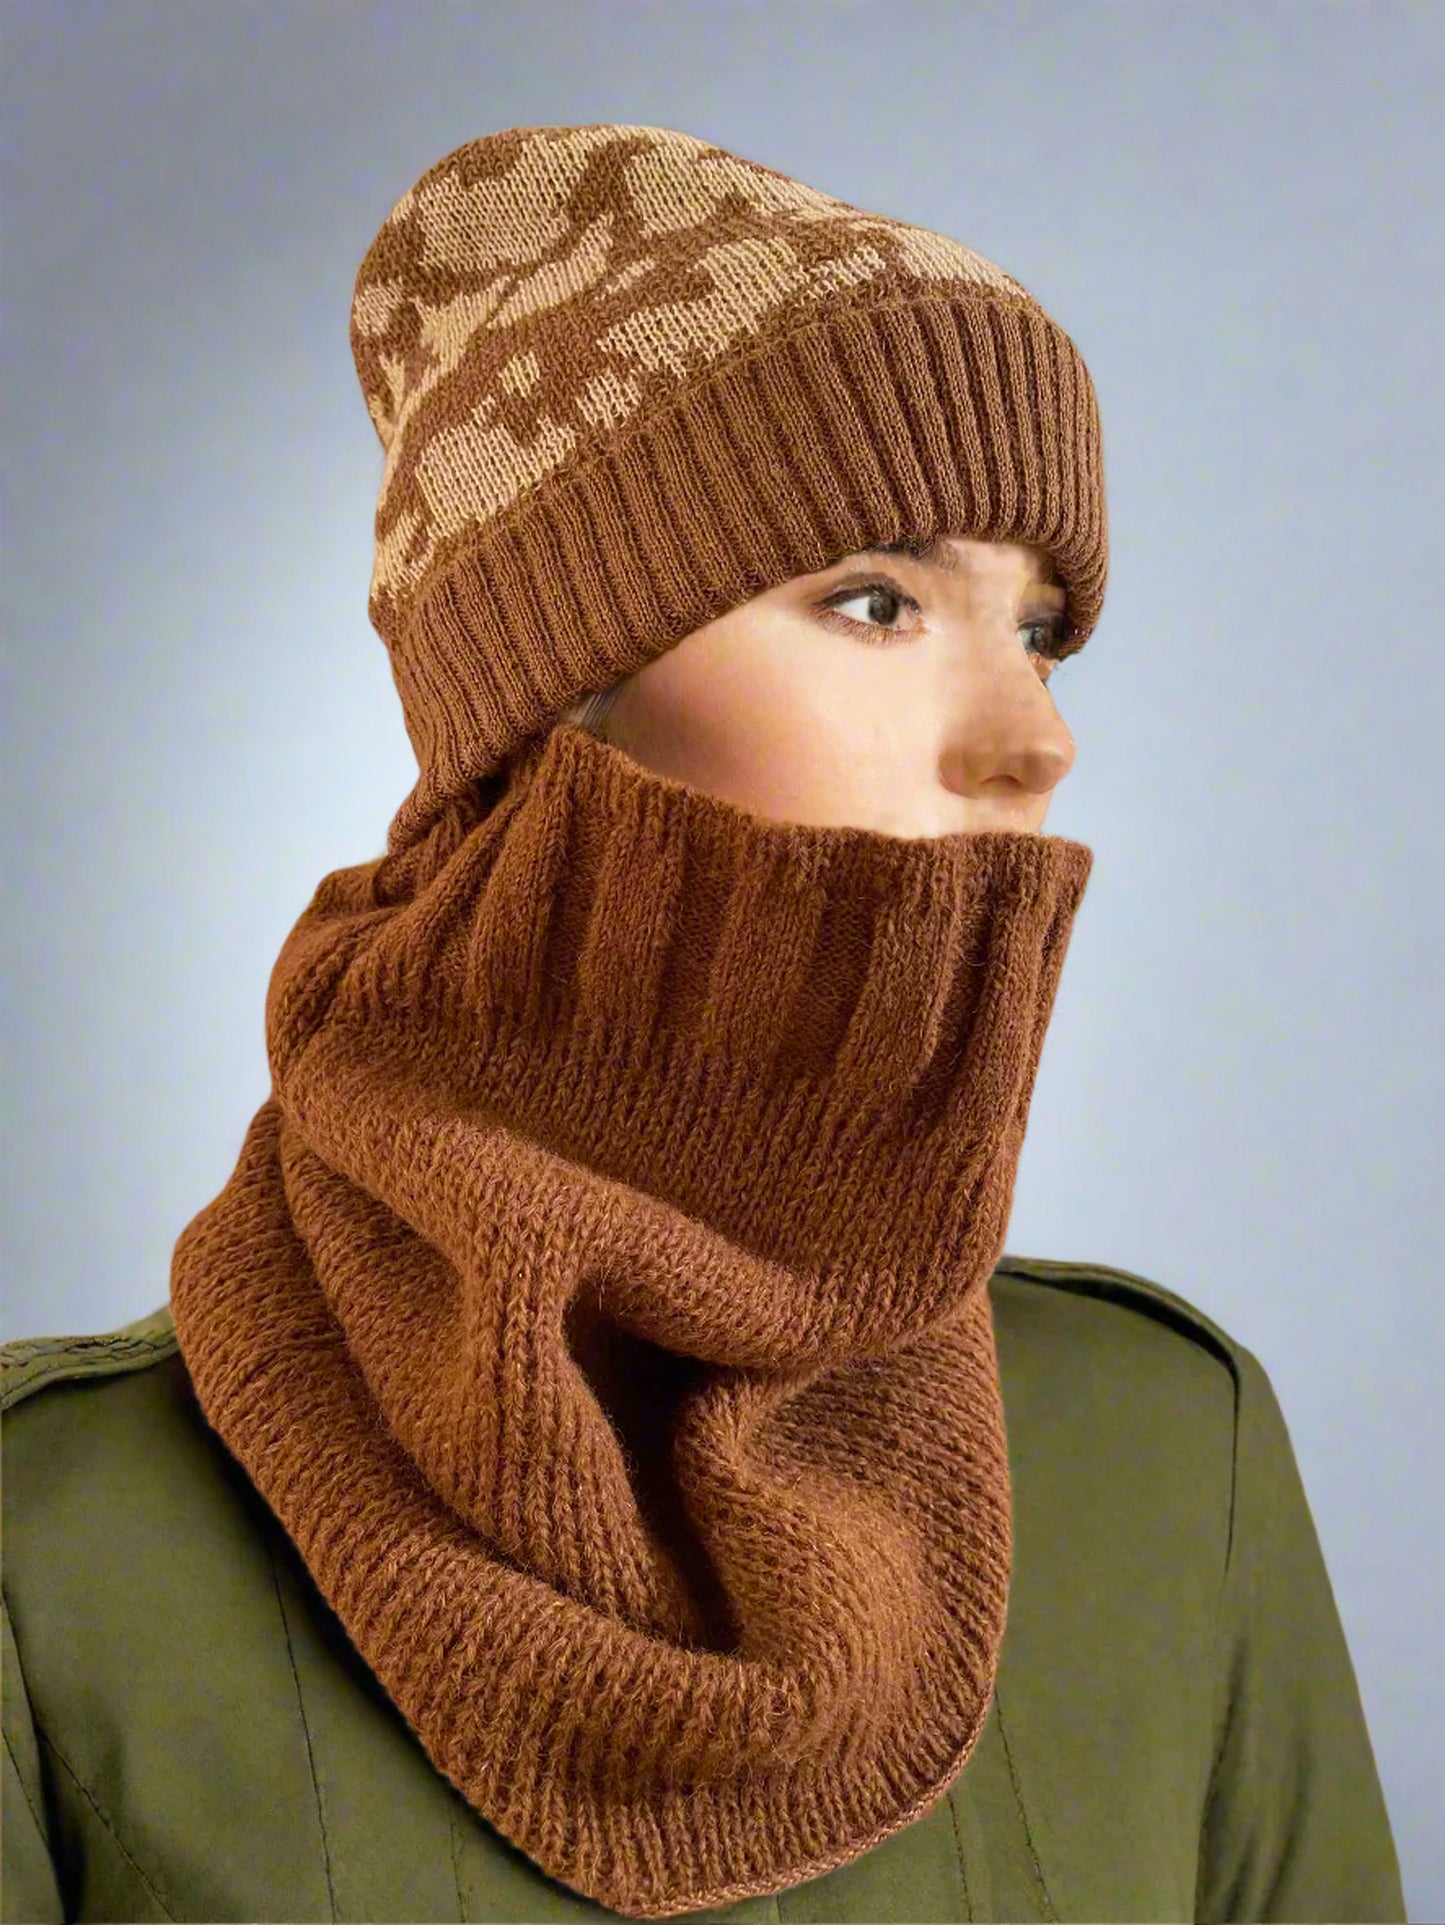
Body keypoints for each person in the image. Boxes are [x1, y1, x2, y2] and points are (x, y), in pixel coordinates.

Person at [1, 124, 1404, 1925]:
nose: (1034, 740)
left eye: (1043, 630)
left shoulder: (1164, 1455)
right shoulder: (57, 1535)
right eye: (876, 601)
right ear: (551, 698)